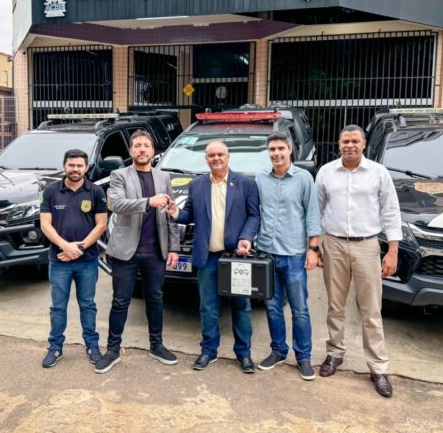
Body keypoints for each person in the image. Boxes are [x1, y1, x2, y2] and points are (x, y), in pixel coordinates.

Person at [315, 124, 402, 398]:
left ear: (364, 144)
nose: (350, 145)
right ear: (339, 144)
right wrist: (315, 246)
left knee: (371, 310)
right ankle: (334, 353)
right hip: (334, 244)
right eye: (345, 141)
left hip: (367, 245)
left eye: (355, 141)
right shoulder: (326, 172)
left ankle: (378, 367)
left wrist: (393, 251)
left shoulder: (378, 173)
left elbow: (391, 212)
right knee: (335, 306)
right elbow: (316, 211)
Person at [167, 140, 260, 373]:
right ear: (206, 159)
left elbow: (254, 216)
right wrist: (176, 212)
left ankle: (244, 354)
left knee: (241, 306)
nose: (216, 158)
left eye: (220, 154)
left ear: (228, 157)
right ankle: (209, 350)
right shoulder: (197, 185)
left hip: (235, 257)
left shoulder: (246, 184)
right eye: (211, 155)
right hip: (207, 257)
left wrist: (246, 237)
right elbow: (189, 215)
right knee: (208, 307)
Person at [95, 130, 181, 374]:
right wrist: (148, 202)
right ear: (130, 151)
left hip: (155, 251)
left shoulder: (163, 177)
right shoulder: (119, 175)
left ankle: (156, 345)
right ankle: (112, 350)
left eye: (146, 145)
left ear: (153, 151)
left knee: (155, 298)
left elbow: (171, 214)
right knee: (120, 300)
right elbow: (116, 204)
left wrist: (173, 247)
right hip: (126, 251)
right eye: (137, 146)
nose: (142, 149)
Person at [255, 132, 321, 381]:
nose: (276, 153)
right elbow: (256, 212)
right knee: (272, 307)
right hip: (267, 253)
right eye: (272, 149)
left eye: (281, 148)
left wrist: (313, 249)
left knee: (299, 308)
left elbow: (312, 214)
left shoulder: (303, 178)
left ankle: (303, 357)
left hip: (294, 254)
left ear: (290, 150)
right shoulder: (261, 178)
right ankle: (278, 351)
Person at [40, 149, 107, 368]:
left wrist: (79, 247)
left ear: (86, 168)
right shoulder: (51, 191)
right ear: (64, 166)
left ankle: (92, 345)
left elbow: (101, 225)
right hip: (59, 260)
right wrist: (65, 246)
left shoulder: (96, 191)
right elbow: (45, 224)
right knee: (58, 307)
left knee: (87, 305)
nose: (75, 169)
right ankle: (55, 347)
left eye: (79, 165)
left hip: (87, 261)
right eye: (71, 165)